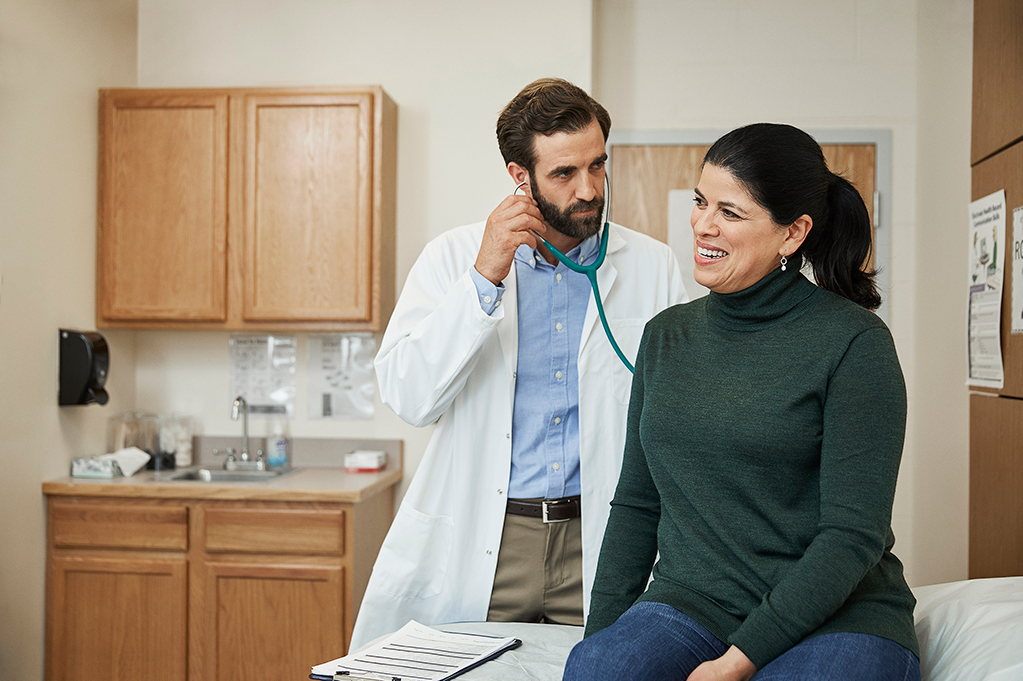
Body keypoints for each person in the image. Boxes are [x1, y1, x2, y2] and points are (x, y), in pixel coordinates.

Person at [563, 123, 919, 681]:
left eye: (730, 212)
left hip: (839, 617)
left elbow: (852, 537)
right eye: (702, 202)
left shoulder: (854, 342)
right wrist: (597, 648)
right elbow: (637, 505)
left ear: (792, 234)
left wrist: (738, 661)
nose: (702, 224)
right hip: (695, 604)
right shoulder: (666, 337)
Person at [349, 78, 687, 649]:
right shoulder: (454, 259)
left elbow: (680, 416)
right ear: (519, 176)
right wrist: (482, 279)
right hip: (489, 539)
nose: (589, 189)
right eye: (564, 174)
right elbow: (410, 397)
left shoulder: (653, 267)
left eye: (598, 166)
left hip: (602, 541)